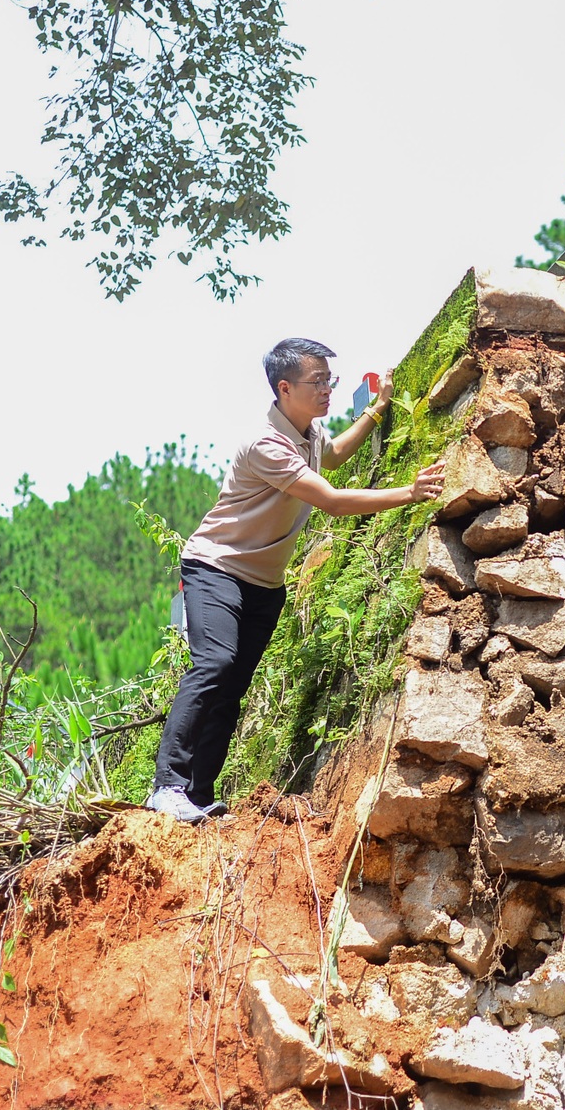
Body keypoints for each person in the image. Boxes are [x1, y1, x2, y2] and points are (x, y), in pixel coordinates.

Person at [146, 338, 444, 823]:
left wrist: (377, 409)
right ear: (285, 388)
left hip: (263, 584)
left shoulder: (307, 435)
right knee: (214, 665)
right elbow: (332, 499)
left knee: (233, 684)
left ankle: (198, 796)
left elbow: (336, 455)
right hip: (216, 568)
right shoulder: (267, 444)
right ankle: (168, 787)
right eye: (318, 381)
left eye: (331, 379)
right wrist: (410, 493)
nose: (328, 388)